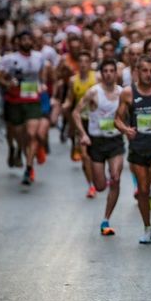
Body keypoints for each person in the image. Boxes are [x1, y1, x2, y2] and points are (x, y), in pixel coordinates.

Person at [114, 55, 151, 244]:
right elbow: (117, 118)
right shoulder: (127, 93)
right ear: (136, 72)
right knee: (142, 190)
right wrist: (125, 129)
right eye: (144, 71)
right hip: (138, 147)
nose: (148, 74)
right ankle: (147, 227)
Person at [72, 59, 125, 236]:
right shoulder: (93, 93)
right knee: (101, 186)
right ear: (101, 74)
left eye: (112, 70)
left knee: (116, 178)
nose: (109, 74)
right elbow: (76, 113)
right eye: (106, 71)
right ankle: (105, 182)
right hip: (97, 141)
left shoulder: (123, 93)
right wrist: (83, 134)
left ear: (116, 73)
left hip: (115, 141)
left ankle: (106, 219)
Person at [0, 29, 47, 186]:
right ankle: (16, 149)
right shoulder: (9, 59)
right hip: (14, 100)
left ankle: (29, 167)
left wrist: (42, 85)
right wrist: (7, 84)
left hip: (33, 99)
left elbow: (42, 75)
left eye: (29, 39)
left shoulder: (39, 57)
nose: (27, 42)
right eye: (23, 39)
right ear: (18, 42)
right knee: (18, 133)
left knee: (32, 134)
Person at [64, 49, 97, 197]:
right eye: (81, 62)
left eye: (86, 61)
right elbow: (70, 100)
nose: (83, 64)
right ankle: (91, 186)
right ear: (77, 64)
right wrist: (64, 106)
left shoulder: (97, 78)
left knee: (96, 154)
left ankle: (99, 176)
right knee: (85, 156)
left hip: (96, 120)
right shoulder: (73, 81)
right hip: (81, 121)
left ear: (90, 63)